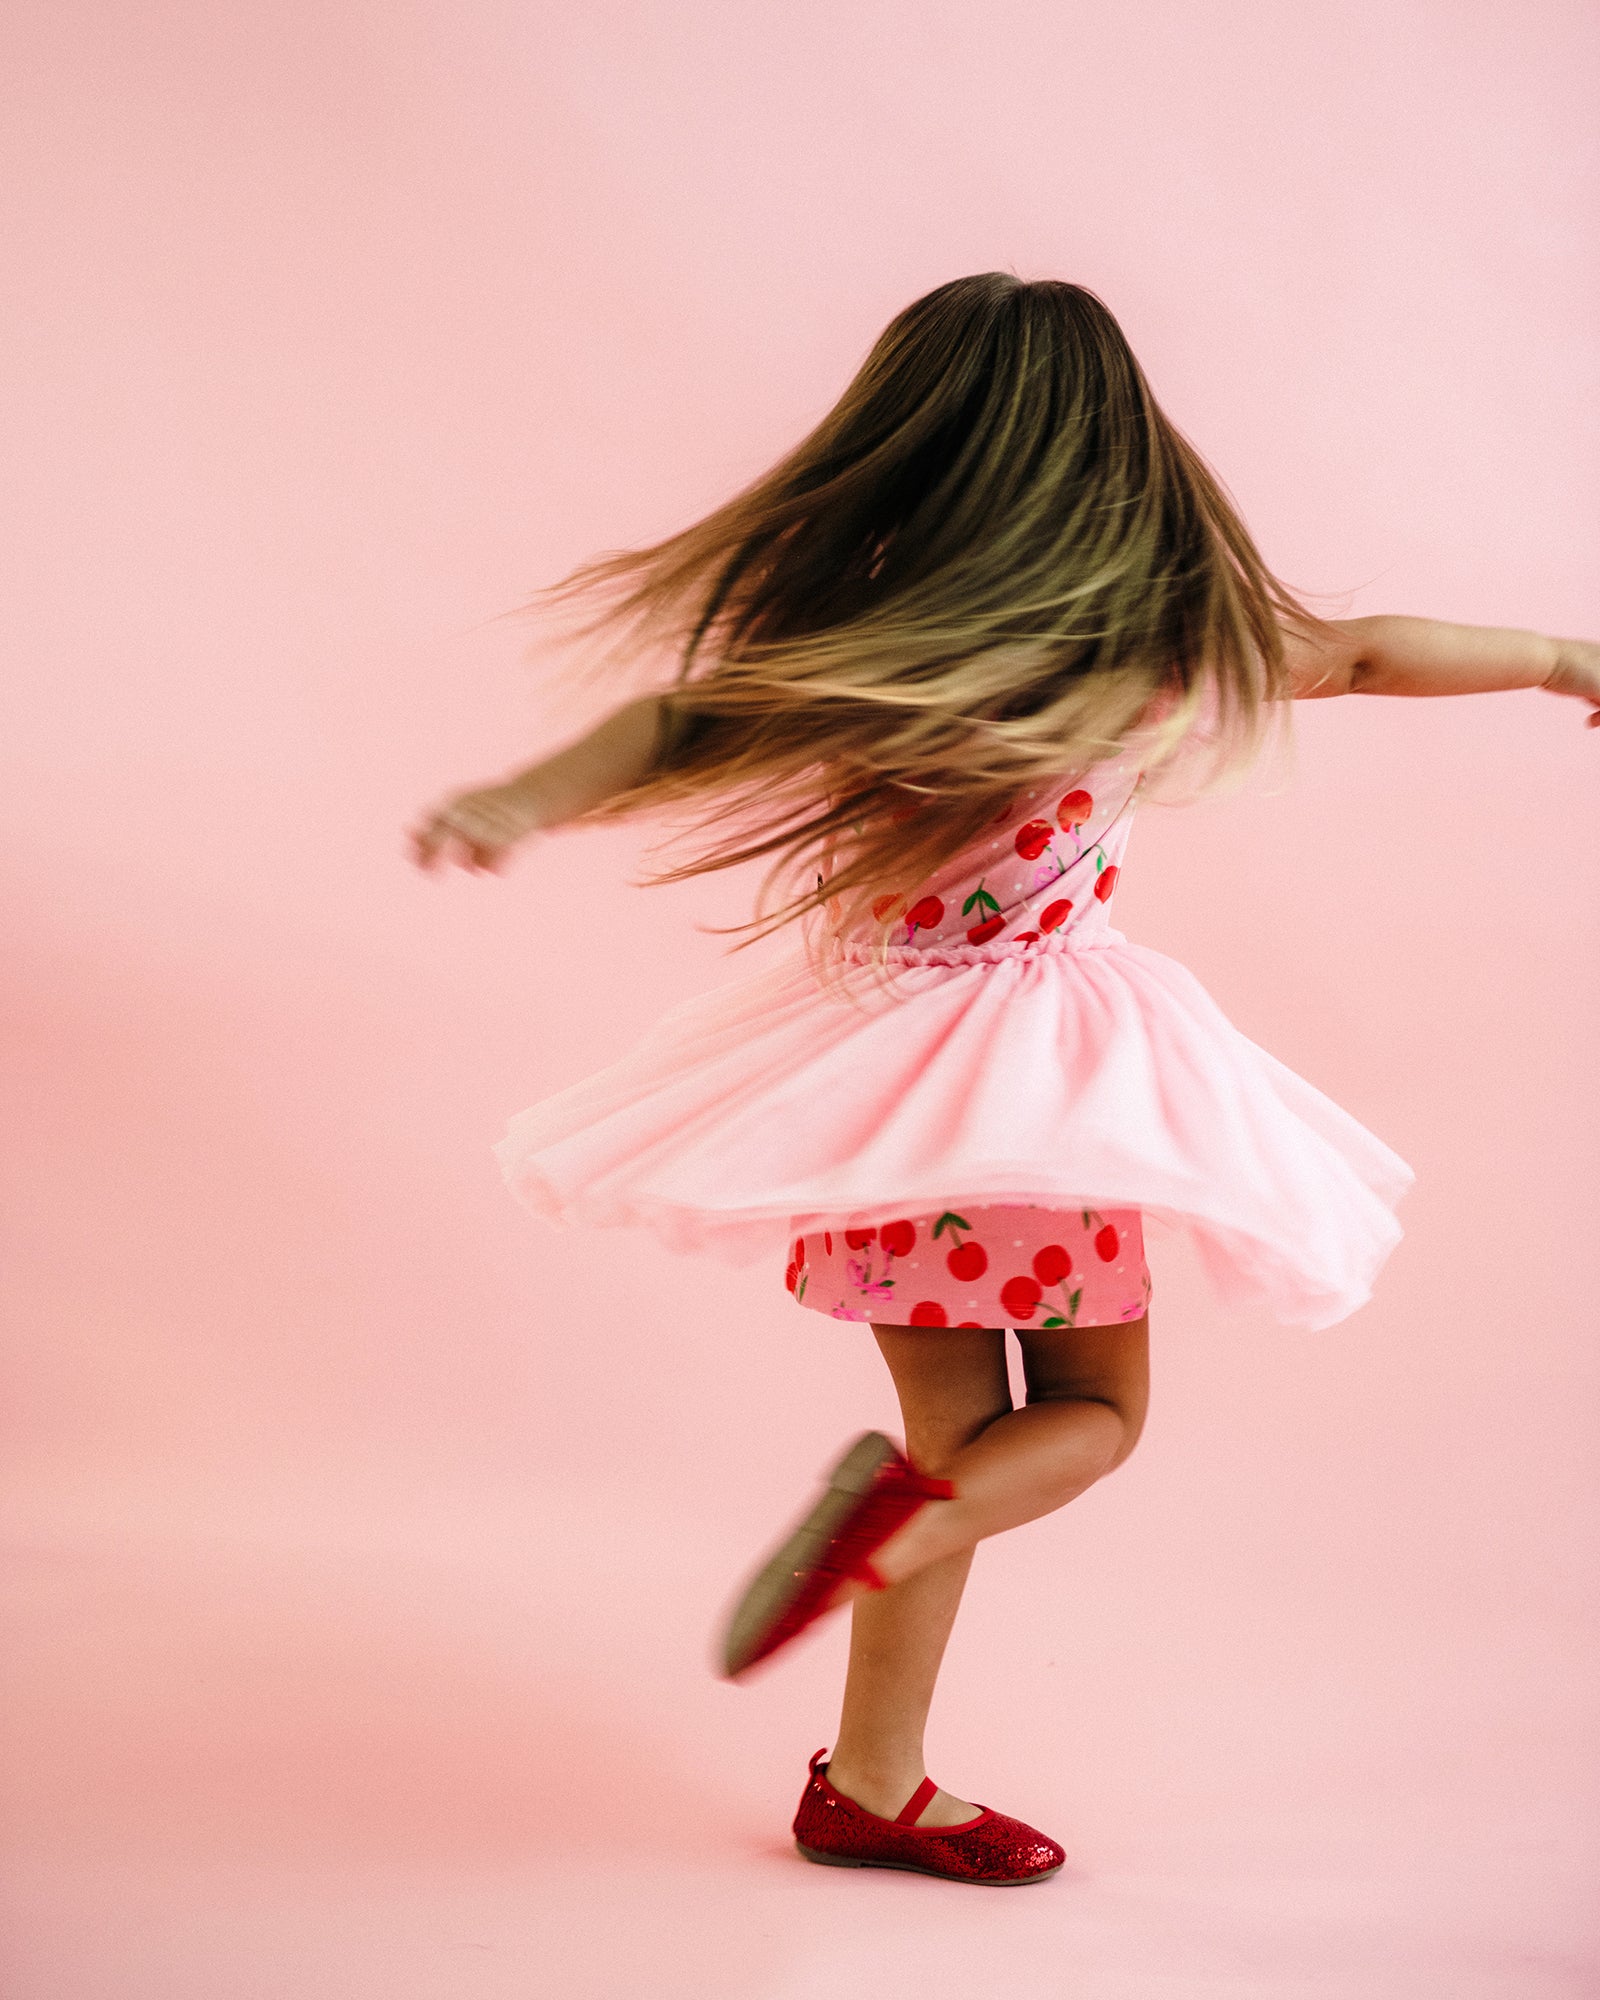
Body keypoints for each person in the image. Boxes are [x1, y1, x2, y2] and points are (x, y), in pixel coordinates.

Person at [408, 275, 1599, 1887]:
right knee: (1094, 1417)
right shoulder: (1160, 640)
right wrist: (1555, 654)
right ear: (1121, 455)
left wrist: (517, 800)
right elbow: (1372, 651)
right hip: (1050, 1092)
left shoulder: (885, 644)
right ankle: (895, 1562)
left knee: (941, 1451)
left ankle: (873, 1776)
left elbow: (684, 722)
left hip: (886, 1097)